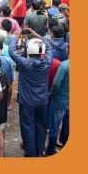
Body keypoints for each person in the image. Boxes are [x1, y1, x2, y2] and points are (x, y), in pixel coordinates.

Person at [7, 29, 55, 157]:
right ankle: (39, 150)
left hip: (27, 102)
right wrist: (37, 36)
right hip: (43, 101)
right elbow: (50, 48)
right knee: (41, 126)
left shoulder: (25, 63)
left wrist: (16, 36)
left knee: (28, 127)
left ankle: (30, 153)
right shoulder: (46, 63)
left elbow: (11, 51)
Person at [46, 55, 70, 156]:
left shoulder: (65, 65)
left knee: (54, 127)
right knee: (68, 127)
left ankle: (50, 150)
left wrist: (51, 95)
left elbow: (56, 84)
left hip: (59, 100)